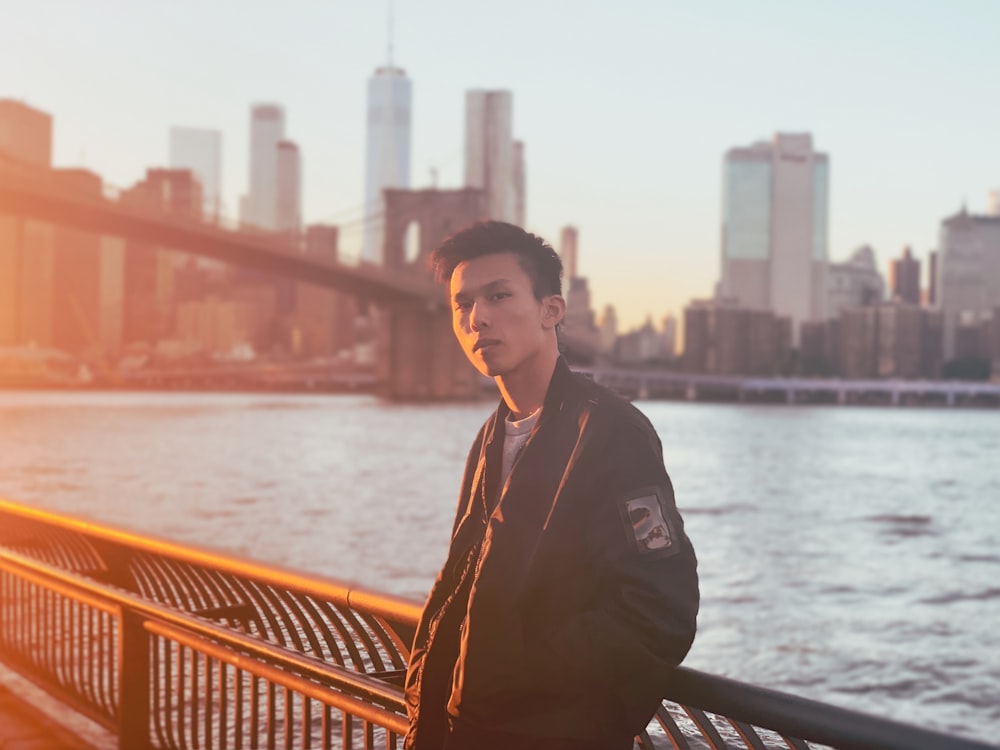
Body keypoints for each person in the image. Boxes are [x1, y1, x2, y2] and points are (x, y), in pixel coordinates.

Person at [403, 221, 699, 750]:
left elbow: (661, 609)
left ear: (551, 311)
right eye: (462, 304)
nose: (478, 318)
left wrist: (517, 675)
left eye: (498, 296)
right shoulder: (491, 436)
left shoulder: (610, 433)